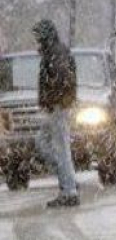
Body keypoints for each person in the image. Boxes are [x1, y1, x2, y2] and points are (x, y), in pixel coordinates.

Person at [33, 20, 79, 208]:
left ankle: (69, 189)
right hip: (55, 108)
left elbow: (62, 81)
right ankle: (68, 180)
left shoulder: (56, 53)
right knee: (44, 144)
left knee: (59, 149)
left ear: (46, 35)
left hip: (58, 108)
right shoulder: (54, 52)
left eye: (38, 35)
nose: (36, 39)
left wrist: (53, 101)